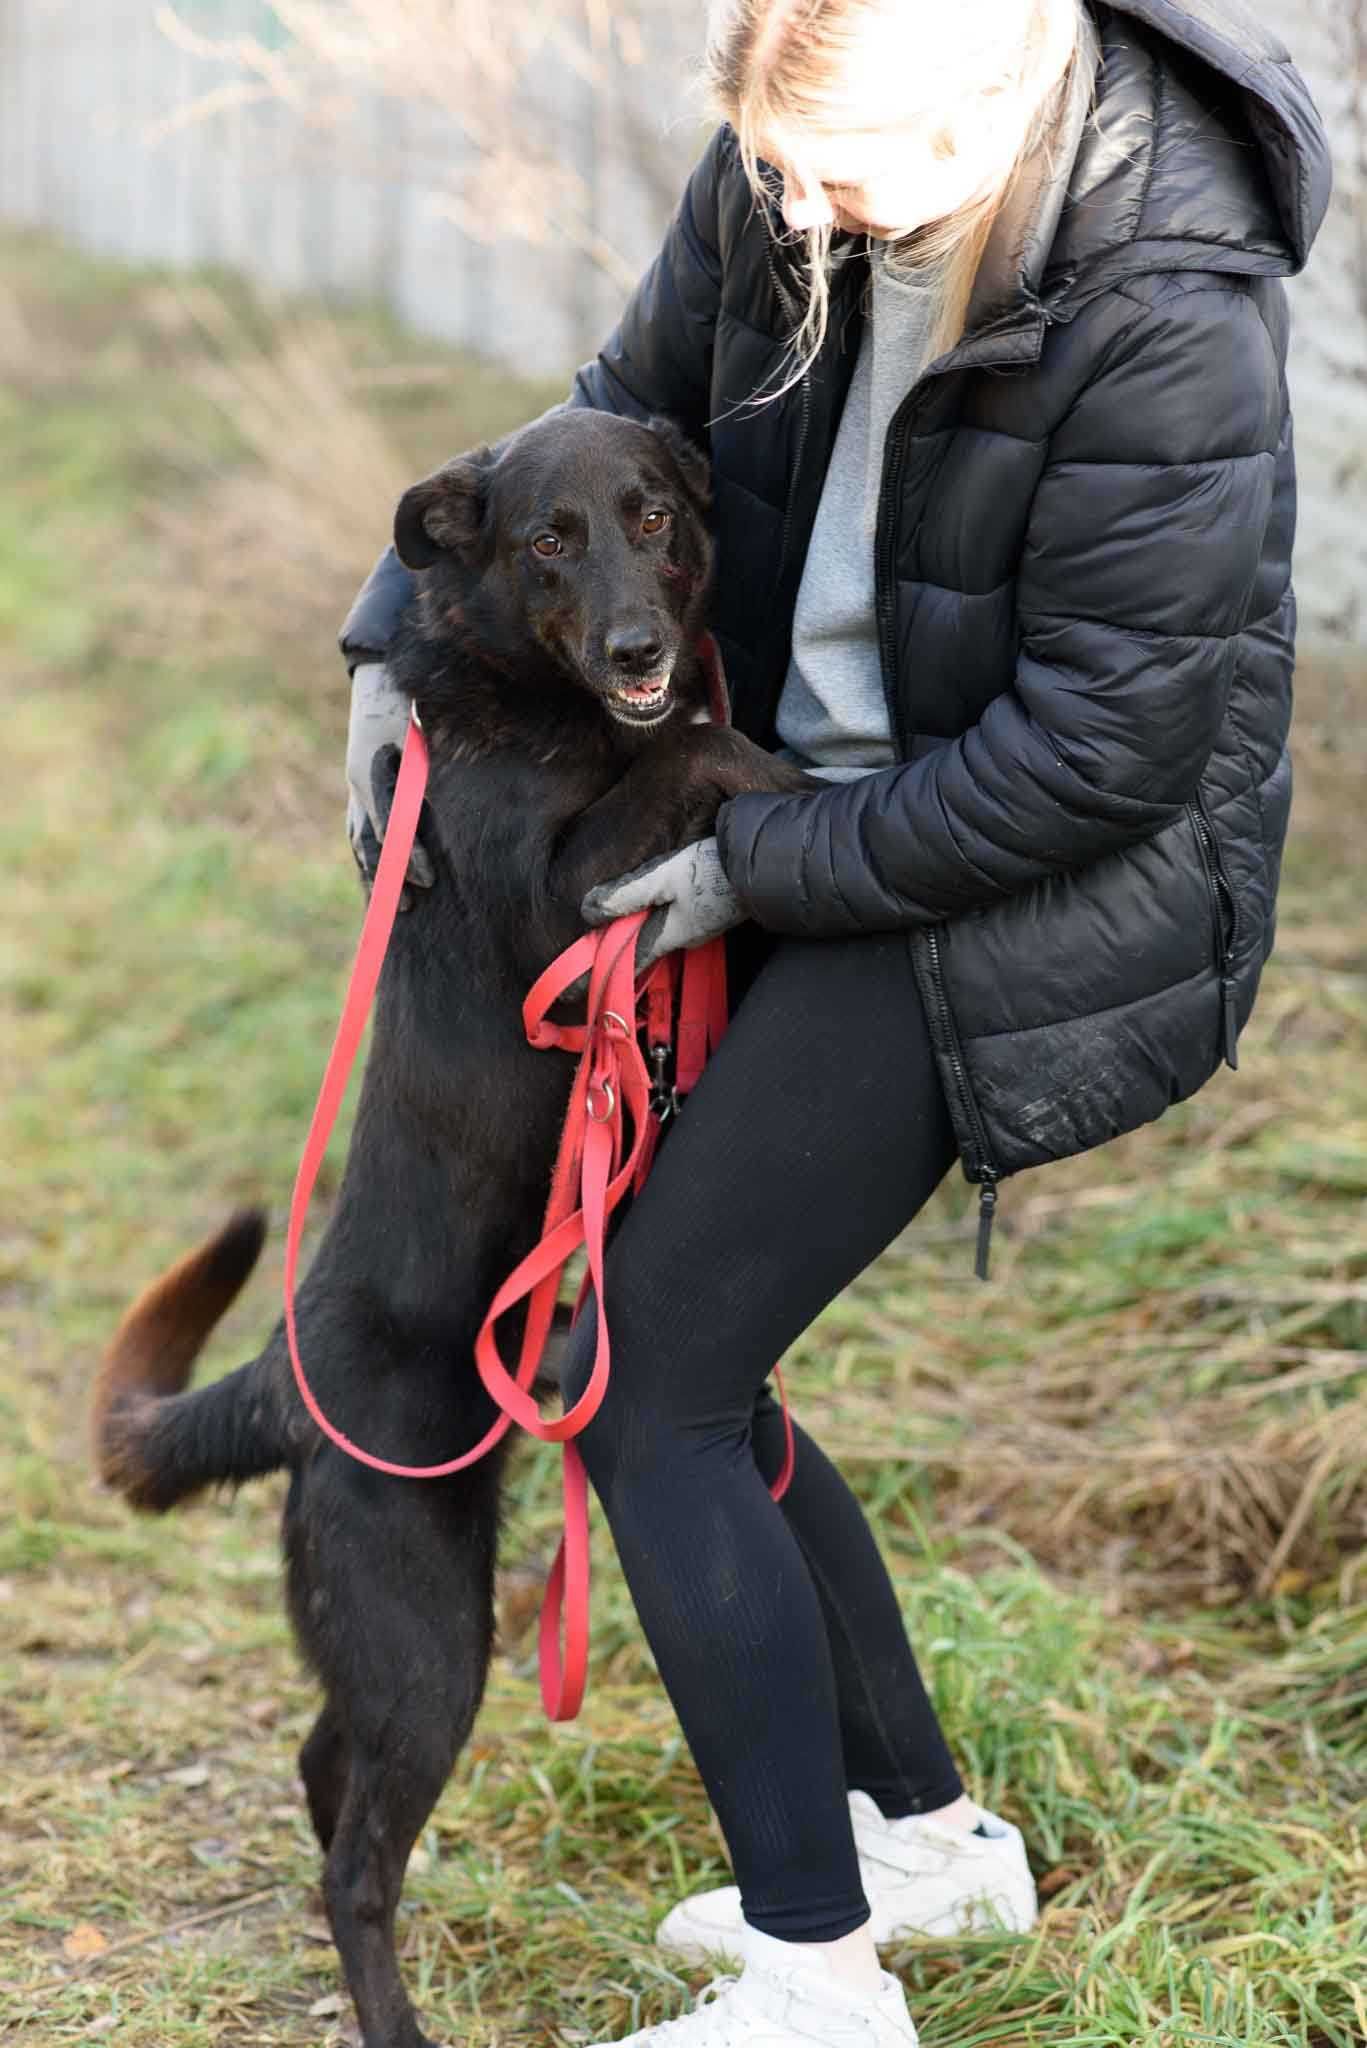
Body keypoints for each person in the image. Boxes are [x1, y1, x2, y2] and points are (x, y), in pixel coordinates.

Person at [338, 1, 1329, 2040]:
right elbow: (616, 395)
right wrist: (383, 637)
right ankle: (925, 1843)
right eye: (774, 168)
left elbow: (1102, 753)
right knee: (696, 1349)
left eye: (839, 177)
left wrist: (749, 872)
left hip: (1027, 881)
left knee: (636, 1373)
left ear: (990, 104)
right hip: (796, 798)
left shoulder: (1168, 297)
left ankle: (815, 1976)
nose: (797, 210)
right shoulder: (803, 166)